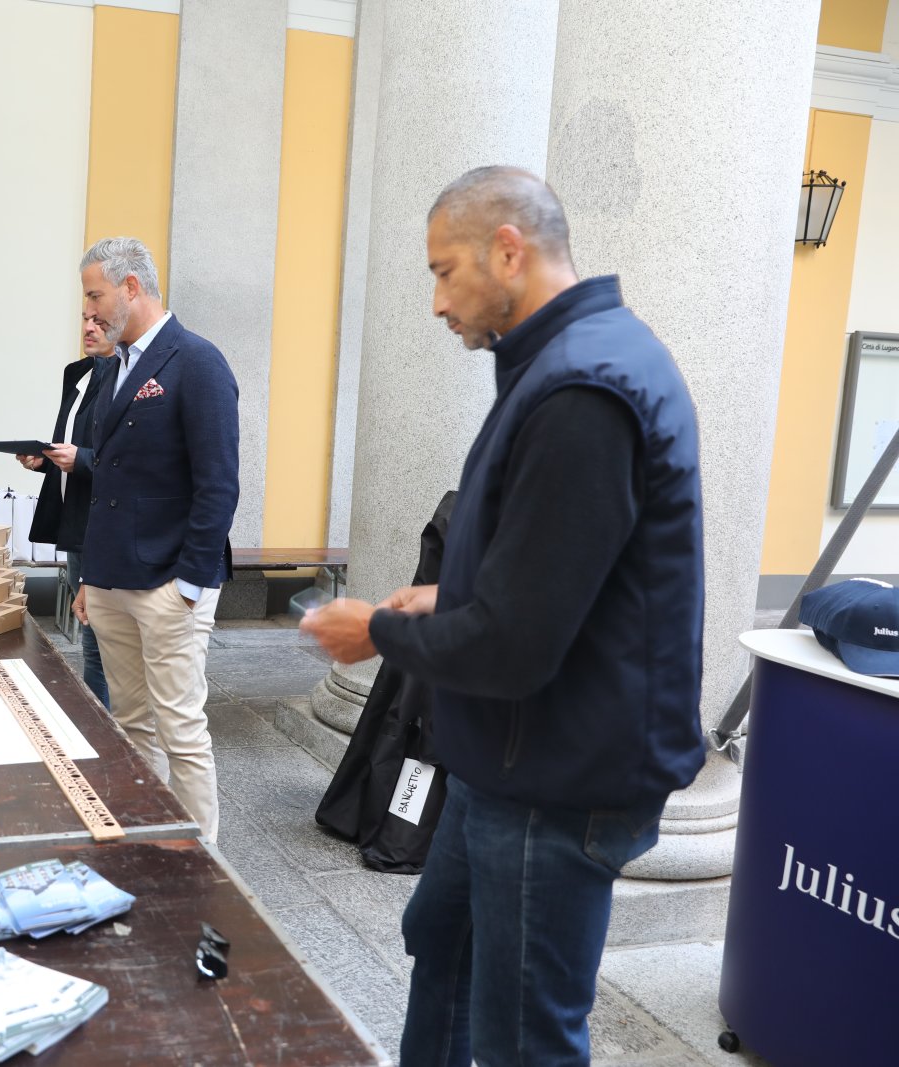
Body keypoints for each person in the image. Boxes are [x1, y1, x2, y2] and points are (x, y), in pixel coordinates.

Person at [301, 166, 706, 1067]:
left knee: (525, 1035)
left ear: (509, 252)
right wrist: (450, 594)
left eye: (445, 271)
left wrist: (376, 633)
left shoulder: (583, 389)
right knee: (440, 943)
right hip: (512, 756)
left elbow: (518, 644)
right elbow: (567, 568)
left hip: (556, 775)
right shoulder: (563, 363)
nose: (437, 302)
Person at [71, 236, 239, 842]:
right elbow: (109, 478)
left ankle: (203, 862)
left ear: (131, 286)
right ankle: (151, 841)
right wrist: (90, 576)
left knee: (181, 730)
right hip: (113, 577)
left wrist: (189, 584)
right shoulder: (114, 366)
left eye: (96, 296)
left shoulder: (197, 361)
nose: (89, 311)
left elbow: (218, 484)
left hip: (170, 582)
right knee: (132, 724)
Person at [16, 316, 115, 707]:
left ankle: (105, 725)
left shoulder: (126, 377)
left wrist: (83, 459)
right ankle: (100, 721)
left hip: (104, 523)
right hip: (75, 522)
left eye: (99, 321)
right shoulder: (77, 373)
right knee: (90, 633)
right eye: (85, 320)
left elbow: (118, 460)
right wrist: (45, 460)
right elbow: (72, 442)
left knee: (101, 639)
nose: (88, 328)